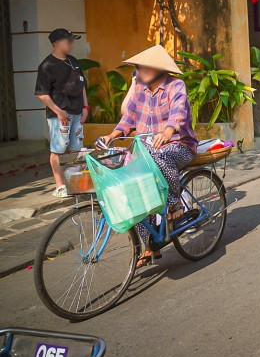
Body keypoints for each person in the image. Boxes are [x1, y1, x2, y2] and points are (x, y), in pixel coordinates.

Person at [100, 45, 198, 268]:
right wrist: (112, 135)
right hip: (147, 151)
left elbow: (179, 112)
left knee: (159, 154)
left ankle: (174, 204)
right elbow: (129, 118)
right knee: (134, 192)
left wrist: (168, 131)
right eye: (139, 67)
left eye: (146, 66)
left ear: (159, 69)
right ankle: (149, 246)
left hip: (178, 145)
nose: (140, 70)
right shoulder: (140, 92)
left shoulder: (176, 86)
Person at [35, 29, 88, 198]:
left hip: (77, 112)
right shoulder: (47, 65)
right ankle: (59, 186)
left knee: (75, 149)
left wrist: (85, 107)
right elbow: (41, 94)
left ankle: (75, 182)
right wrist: (58, 111)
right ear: (57, 42)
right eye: (68, 41)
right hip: (60, 115)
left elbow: (82, 85)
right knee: (58, 150)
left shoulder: (73, 61)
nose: (71, 44)